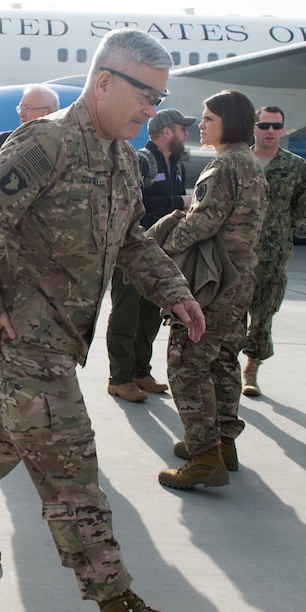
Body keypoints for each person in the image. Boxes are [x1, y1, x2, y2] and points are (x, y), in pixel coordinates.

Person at [0, 29, 205, 612]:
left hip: (66, 336)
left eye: (160, 99)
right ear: (104, 82)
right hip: (28, 334)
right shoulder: (46, 144)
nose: (154, 111)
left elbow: (129, 240)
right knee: (71, 466)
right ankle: (114, 597)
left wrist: (174, 291)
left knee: (7, 430)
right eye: (147, 96)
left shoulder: (123, 160)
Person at [156, 90, 268, 490]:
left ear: (230, 122)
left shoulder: (224, 166)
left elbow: (204, 223)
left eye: (208, 118)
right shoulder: (250, 162)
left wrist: (159, 248)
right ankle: (222, 444)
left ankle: (205, 456)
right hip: (239, 278)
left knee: (186, 361)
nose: (200, 125)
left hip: (214, 281)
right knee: (221, 361)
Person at [105, 108, 194, 402]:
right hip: (133, 250)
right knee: (125, 315)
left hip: (163, 253)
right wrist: (178, 200)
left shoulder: (177, 166)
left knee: (151, 315)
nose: (187, 133)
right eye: (183, 128)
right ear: (167, 131)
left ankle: (141, 370)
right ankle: (120, 377)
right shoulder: (142, 161)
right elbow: (130, 200)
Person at [241, 106, 306, 396]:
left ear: (283, 130)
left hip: (272, 255)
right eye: (264, 126)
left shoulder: (298, 168)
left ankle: (251, 370)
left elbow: (300, 209)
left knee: (263, 315)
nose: (269, 131)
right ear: (254, 129)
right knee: (229, 313)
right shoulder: (239, 161)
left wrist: (278, 231)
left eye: (275, 126)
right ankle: (224, 367)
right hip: (236, 252)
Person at [0, 83, 60, 182]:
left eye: (28, 108)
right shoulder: (0, 140)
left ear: (49, 112)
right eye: (20, 108)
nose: (21, 114)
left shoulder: (62, 146)